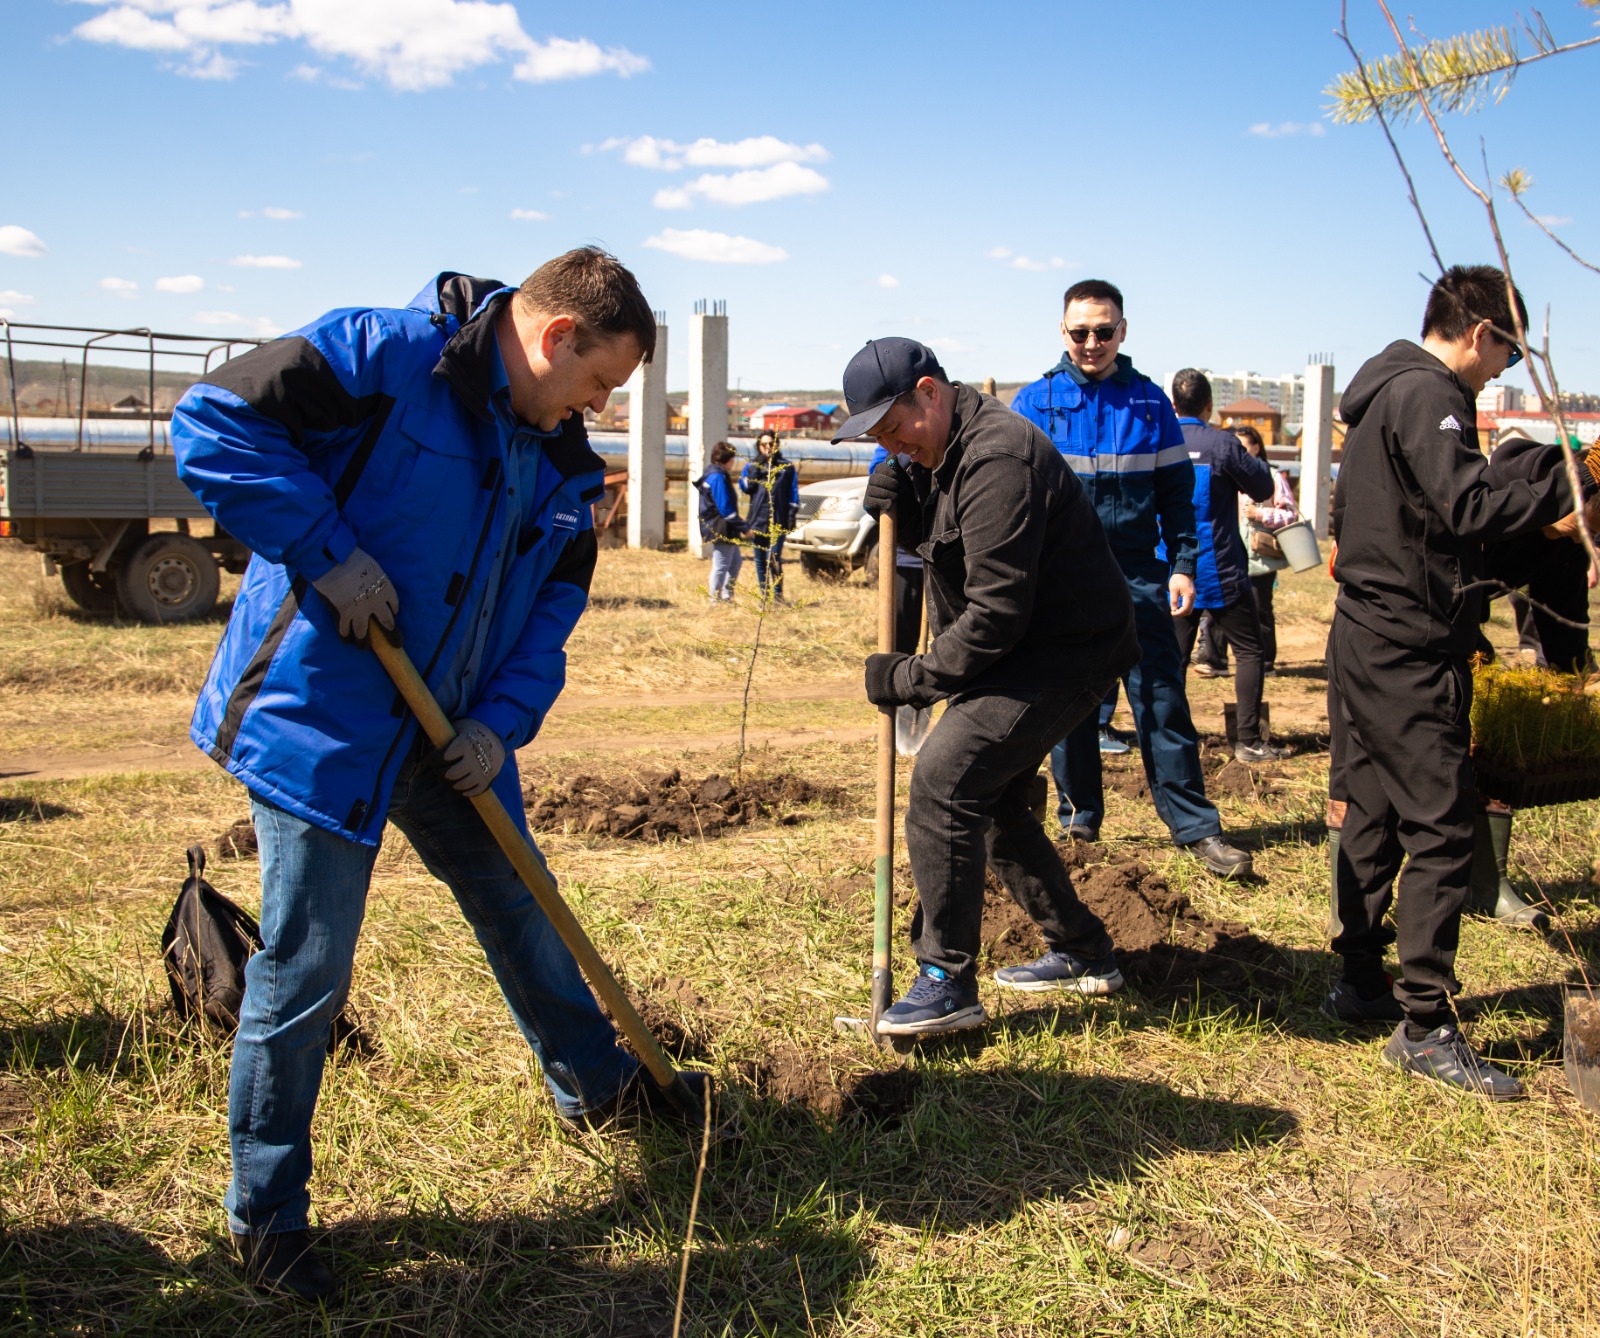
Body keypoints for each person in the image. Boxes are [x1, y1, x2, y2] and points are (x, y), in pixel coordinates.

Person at [172, 248, 705, 1301]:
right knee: (307, 969)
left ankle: (597, 1089)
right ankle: (267, 1217)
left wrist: (500, 725)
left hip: (451, 729)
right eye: (600, 383)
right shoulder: (383, 358)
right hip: (324, 717)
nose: (595, 408)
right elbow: (212, 423)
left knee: (524, 905)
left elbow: (552, 610)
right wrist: (324, 552)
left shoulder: (557, 461)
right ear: (556, 339)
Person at [1324, 263, 1599, 1099]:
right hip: (1408, 645)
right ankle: (1425, 1026)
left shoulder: (1387, 395)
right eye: (1508, 353)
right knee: (1442, 828)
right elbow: (1468, 507)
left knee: (1370, 809)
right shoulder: (1428, 394)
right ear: (1481, 332)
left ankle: (1362, 977)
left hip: (1368, 634)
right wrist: (1570, 472)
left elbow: (1447, 516)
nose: (1505, 369)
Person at [837, 337, 1139, 1036]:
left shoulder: (998, 456)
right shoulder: (943, 451)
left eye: (894, 429)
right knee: (992, 800)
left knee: (946, 781)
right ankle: (1083, 950)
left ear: (930, 393)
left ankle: (946, 979)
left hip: (1066, 652)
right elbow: (952, 549)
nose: (892, 445)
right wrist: (906, 504)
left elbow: (996, 612)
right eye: (878, 438)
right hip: (1023, 647)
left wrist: (913, 678)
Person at [1011, 280, 1253, 878]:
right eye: (1079, 331)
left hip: (1141, 577)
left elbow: (1178, 497)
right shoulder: (1032, 405)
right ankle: (1078, 822)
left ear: (1123, 329)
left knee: (1162, 700)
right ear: (1061, 332)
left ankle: (1195, 827)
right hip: (1063, 581)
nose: (1092, 342)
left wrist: (1183, 566)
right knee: (1069, 708)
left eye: (1103, 329)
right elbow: (1007, 494)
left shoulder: (1151, 405)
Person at [1165, 370, 1280, 762]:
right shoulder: (1222, 444)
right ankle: (1248, 739)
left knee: (1173, 660)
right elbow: (1264, 487)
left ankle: (1172, 743)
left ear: (1173, 404)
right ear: (1209, 406)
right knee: (1249, 651)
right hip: (1221, 569)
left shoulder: (1158, 442)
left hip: (1174, 573)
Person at [1193, 424, 1298, 677]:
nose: (1237, 451)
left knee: (1259, 611)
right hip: (1229, 555)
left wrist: (1260, 513)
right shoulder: (1226, 472)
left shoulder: (1272, 477)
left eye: (1243, 446)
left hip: (1260, 558)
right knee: (1216, 610)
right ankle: (1215, 660)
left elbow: (1290, 515)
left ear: (1257, 448)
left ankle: (1264, 664)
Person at [740, 430, 799, 602]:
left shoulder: (786, 468)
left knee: (774, 557)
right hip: (757, 520)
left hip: (778, 520)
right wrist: (753, 471)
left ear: (776, 445)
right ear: (758, 446)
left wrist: (791, 515)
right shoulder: (751, 466)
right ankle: (764, 596)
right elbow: (745, 488)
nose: (767, 448)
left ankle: (778, 595)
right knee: (759, 560)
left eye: (771, 444)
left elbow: (793, 492)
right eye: (763, 445)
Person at [694, 442, 747, 603]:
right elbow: (724, 507)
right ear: (727, 459)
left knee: (735, 562)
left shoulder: (717, 474)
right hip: (721, 526)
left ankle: (726, 596)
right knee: (721, 565)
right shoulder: (717, 477)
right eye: (733, 458)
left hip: (723, 525)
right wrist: (744, 527)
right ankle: (714, 601)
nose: (734, 462)